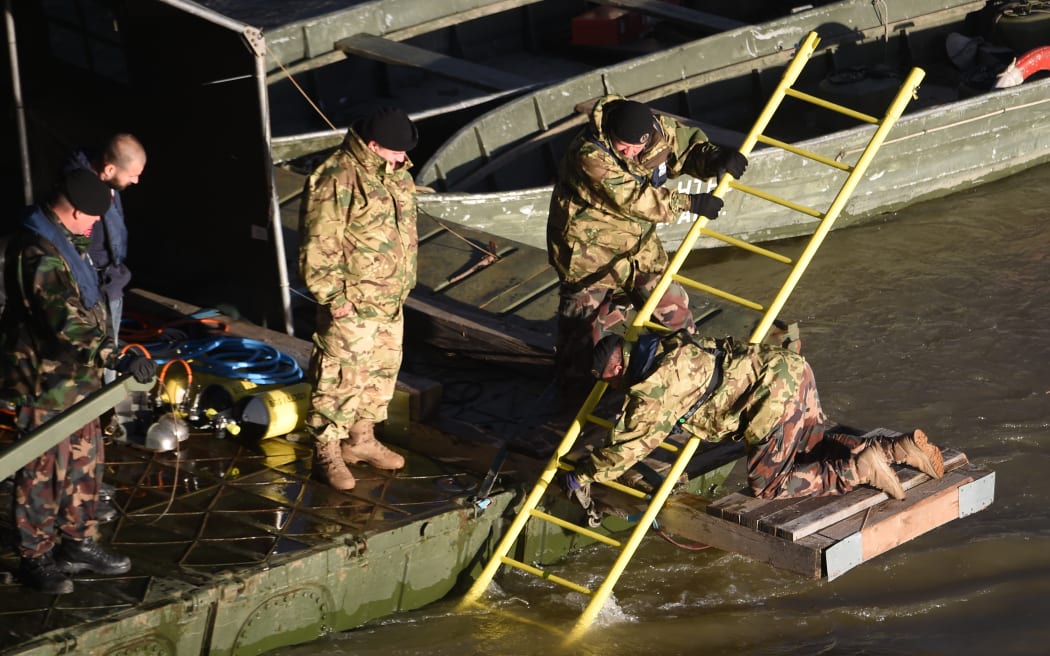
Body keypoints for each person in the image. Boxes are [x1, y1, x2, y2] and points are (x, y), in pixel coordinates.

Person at [564, 330, 944, 510]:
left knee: (769, 484)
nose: (613, 387)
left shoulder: (651, 392)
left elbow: (627, 449)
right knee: (809, 440)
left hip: (769, 404)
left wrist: (581, 474)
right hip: (791, 370)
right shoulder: (665, 342)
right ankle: (895, 448)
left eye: (609, 380)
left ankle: (858, 469)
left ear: (617, 367)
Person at [0, 168, 157, 594]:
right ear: (68, 209)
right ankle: (35, 555)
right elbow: (64, 323)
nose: (93, 226)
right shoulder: (37, 252)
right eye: (89, 217)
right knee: (41, 472)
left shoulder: (67, 240)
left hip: (79, 381)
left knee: (85, 463)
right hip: (46, 382)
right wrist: (115, 355)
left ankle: (78, 541)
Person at [546, 95, 748, 384]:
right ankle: (572, 392)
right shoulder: (589, 155)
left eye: (635, 147)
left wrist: (715, 157)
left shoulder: (659, 131)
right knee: (580, 339)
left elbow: (688, 149)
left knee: (674, 313)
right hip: (590, 252)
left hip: (638, 246)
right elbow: (633, 199)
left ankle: (680, 380)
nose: (628, 153)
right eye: (621, 145)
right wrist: (688, 203)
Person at [298, 106, 419, 490]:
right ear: (372, 145)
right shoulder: (336, 177)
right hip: (351, 301)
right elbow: (318, 244)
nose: (403, 159)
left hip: (388, 300)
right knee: (338, 378)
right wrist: (335, 298)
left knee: (379, 375)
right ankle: (326, 452)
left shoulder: (397, 175)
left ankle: (361, 440)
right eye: (396, 152)